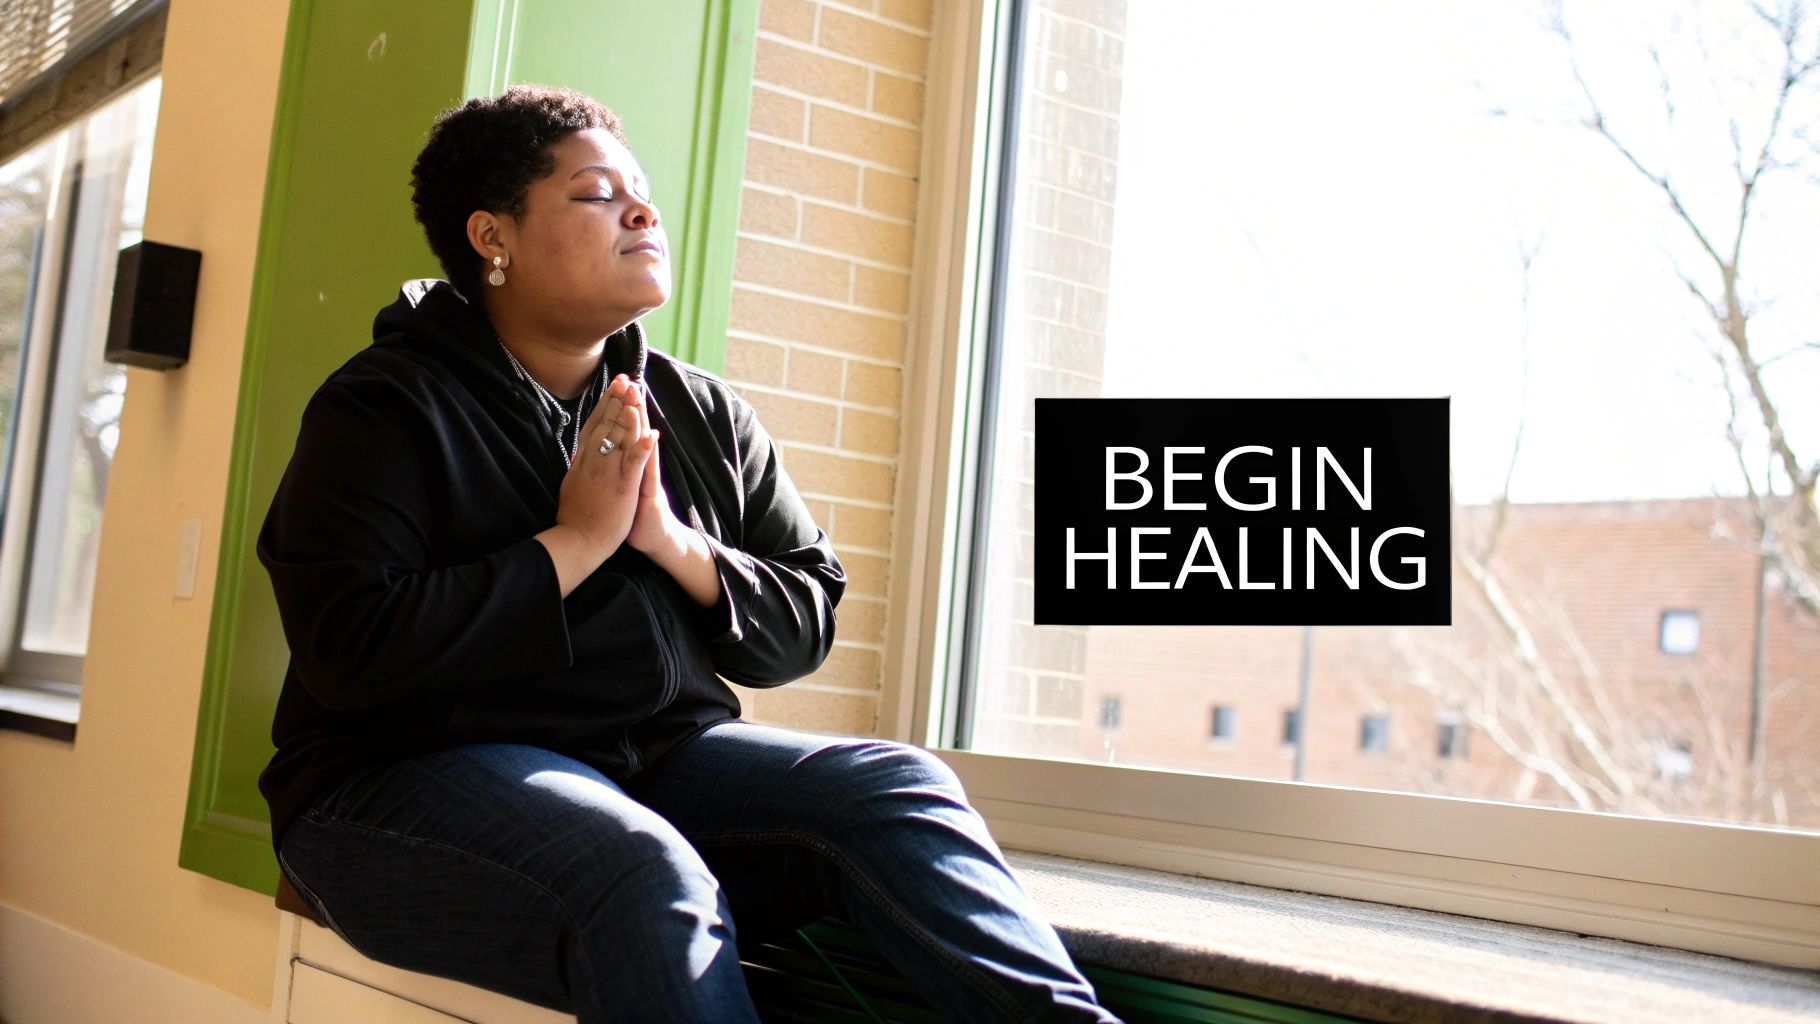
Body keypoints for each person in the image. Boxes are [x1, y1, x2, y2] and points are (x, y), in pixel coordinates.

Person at [257, 83, 1122, 1023]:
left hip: (655, 767)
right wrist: (574, 543)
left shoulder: (700, 412)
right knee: (636, 867)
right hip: (395, 783)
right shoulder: (383, 405)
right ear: (490, 236)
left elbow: (802, 625)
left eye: (642, 189)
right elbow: (352, 652)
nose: (642, 209)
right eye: (595, 194)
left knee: (895, 785)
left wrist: (669, 541)